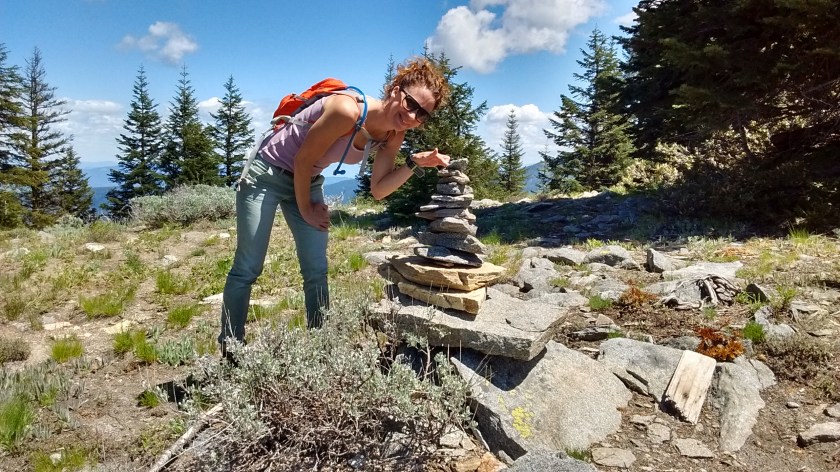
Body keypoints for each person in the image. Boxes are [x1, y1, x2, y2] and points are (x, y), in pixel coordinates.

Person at [219, 57, 451, 355]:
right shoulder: (346, 110)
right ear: (395, 90)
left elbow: (379, 190)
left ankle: (322, 346)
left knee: (316, 268)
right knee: (248, 267)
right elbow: (302, 159)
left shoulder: (394, 133)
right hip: (266, 173)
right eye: (411, 104)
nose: (413, 116)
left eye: (423, 115)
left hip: (308, 179)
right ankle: (231, 349)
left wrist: (413, 163)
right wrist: (307, 209)